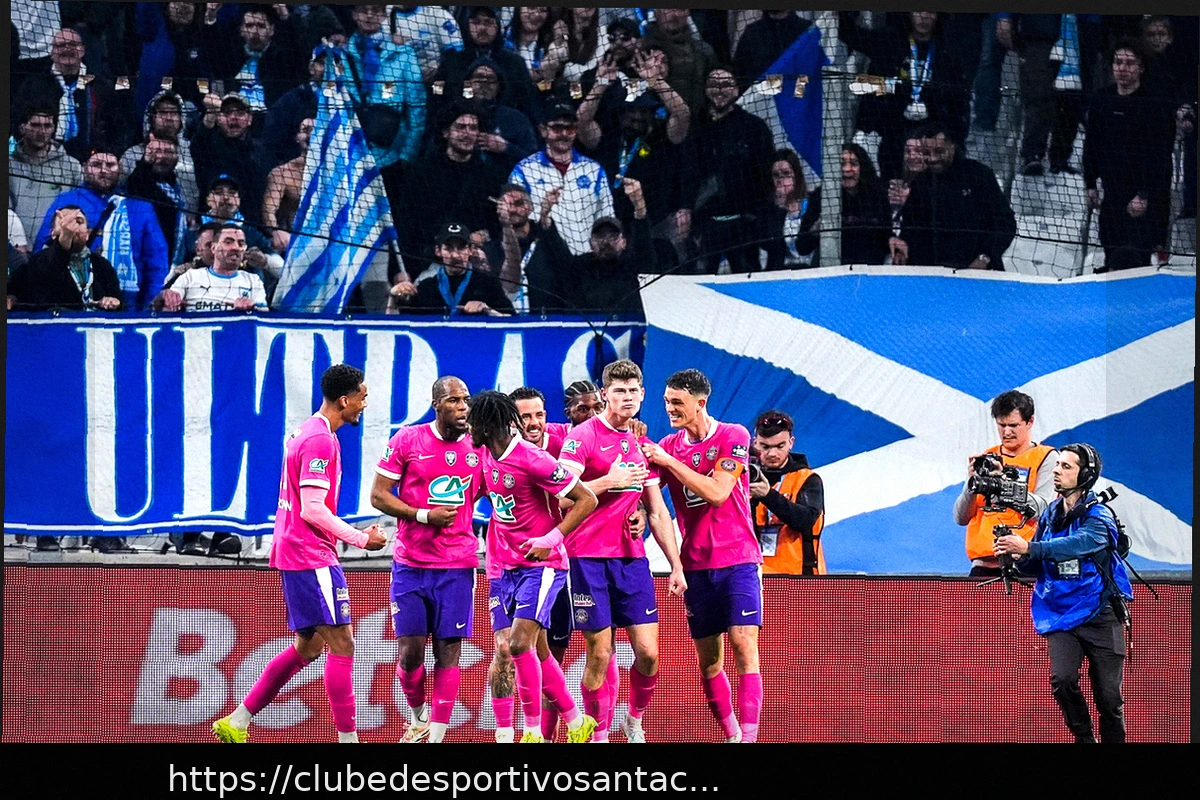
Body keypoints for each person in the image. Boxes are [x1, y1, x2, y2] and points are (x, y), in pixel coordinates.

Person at [211, 364, 388, 744]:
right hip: (310, 554)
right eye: (362, 397)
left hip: (295, 550)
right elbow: (311, 508)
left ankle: (237, 721)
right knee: (344, 644)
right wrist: (359, 538)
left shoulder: (305, 433)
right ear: (345, 400)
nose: (364, 404)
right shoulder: (320, 440)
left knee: (308, 647)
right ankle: (349, 741)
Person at [559, 359, 686, 743]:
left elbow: (658, 509)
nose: (627, 397)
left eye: (633, 391)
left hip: (632, 560)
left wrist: (676, 565)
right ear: (605, 395)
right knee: (599, 654)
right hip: (586, 558)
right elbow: (563, 500)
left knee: (648, 654)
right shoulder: (581, 438)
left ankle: (633, 720)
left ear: (642, 394)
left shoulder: (642, 445)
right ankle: (596, 737)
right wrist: (607, 481)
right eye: (619, 391)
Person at [640, 369, 764, 743]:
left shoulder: (733, 435)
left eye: (677, 402)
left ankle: (750, 739)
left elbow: (718, 492)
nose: (670, 409)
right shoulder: (667, 446)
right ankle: (730, 735)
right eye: (666, 402)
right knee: (710, 663)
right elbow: (644, 495)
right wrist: (634, 515)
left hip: (739, 558)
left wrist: (668, 461)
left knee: (744, 645)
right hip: (695, 564)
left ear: (701, 403)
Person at [469, 390, 599, 744]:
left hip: (541, 565)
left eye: (473, 423)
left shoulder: (532, 459)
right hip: (502, 566)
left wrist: (551, 539)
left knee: (518, 644)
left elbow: (587, 498)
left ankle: (531, 733)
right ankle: (575, 722)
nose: (468, 429)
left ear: (489, 425)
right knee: (534, 651)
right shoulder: (483, 453)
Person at [370, 376, 483, 744]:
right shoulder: (407, 440)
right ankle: (418, 718)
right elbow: (378, 496)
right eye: (454, 400)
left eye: (466, 400)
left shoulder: (478, 447)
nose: (463, 407)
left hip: (457, 564)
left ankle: (435, 735)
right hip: (411, 564)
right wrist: (423, 515)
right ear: (437, 404)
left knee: (449, 651)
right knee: (410, 655)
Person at [995, 443, 1133, 743]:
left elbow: (1077, 545)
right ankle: (1084, 739)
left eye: (1066, 466)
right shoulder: (1050, 516)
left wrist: (1030, 547)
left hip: (1101, 613)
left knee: (1109, 700)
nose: (1057, 470)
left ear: (1085, 475)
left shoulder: (1100, 517)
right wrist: (1016, 557)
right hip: (1061, 614)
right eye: (1057, 465)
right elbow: (1037, 561)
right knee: (1062, 679)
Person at [34, 145, 169, 311]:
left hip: (130, 307)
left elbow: (156, 261)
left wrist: (149, 303)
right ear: (84, 168)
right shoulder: (65, 201)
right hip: (71, 304)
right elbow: (43, 249)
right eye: (96, 165)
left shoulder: (141, 208)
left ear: (120, 168)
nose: (103, 170)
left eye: (110, 165)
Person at [1082, 41, 1176, 271]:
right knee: (1111, 252)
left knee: (1135, 260)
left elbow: (1160, 154)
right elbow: (1091, 144)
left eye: (1129, 63)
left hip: (1142, 196)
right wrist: (1090, 183)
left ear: (1141, 68)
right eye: (1118, 62)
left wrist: (1143, 194)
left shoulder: (1154, 104)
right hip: (1112, 192)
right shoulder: (1101, 100)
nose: (1122, 68)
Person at [953, 390, 1057, 577]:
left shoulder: (1046, 458)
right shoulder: (988, 458)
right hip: (983, 563)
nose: (1007, 432)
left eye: (1013, 425)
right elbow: (960, 518)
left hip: (1024, 563)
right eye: (1001, 425)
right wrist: (971, 485)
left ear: (1030, 422)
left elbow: (1045, 510)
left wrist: (1005, 485)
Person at [892, 122, 1016, 270]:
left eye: (939, 151)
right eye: (926, 153)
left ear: (952, 146)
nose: (932, 158)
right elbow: (911, 227)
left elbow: (1005, 224)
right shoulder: (921, 181)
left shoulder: (979, 175)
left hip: (978, 273)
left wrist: (985, 257)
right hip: (932, 275)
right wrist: (902, 248)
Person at [689, 67, 776, 274]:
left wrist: (758, 217)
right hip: (705, 224)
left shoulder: (755, 127)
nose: (719, 90)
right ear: (705, 89)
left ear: (737, 89)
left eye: (726, 84)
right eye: (713, 84)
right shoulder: (695, 126)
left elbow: (765, 176)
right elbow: (687, 172)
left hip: (744, 225)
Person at [525, 178, 653, 315]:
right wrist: (544, 216)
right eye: (600, 237)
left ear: (624, 242)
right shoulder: (579, 267)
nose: (606, 242)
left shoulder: (633, 265)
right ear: (591, 243)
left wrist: (639, 206)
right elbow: (556, 250)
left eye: (613, 237)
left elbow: (644, 246)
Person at [508, 103, 615, 257]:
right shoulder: (523, 170)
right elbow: (515, 218)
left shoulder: (594, 170)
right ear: (543, 130)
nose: (564, 134)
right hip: (543, 259)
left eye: (570, 129)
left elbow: (607, 216)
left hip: (586, 260)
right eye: (557, 128)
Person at [749, 411, 826, 575]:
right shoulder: (742, 479)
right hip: (753, 575)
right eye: (765, 447)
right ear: (755, 443)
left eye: (780, 446)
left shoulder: (808, 479)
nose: (772, 454)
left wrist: (768, 495)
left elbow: (804, 521)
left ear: (791, 443)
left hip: (801, 577)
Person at [406, 221, 515, 316]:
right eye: (448, 249)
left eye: (461, 248)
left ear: (471, 250)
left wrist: (488, 310)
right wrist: (393, 297)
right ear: (438, 251)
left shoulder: (488, 284)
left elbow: (514, 322)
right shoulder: (426, 287)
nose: (455, 255)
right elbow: (398, 325)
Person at [8, 106, 82, 245]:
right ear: (22, 128)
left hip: (56, 252)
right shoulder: (9, 166)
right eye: (35, 125)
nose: (42, 132)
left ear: (54, 128)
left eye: (47, 126)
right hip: (17, 252)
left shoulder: (72, 166)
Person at [158, 223, 269, 312]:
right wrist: (168, 297)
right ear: (213, 248)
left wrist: (252, 309)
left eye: (241, 243)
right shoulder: (190, 276)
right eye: (228, 242)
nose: (236, 247)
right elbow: (167, 305)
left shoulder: (253, 281)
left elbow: (264, 318)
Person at [761, 149, 821, 271]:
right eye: (776, 175)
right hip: (783, 272)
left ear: (796, 176)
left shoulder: (813, 205)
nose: (780, 180)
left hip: (813, 270)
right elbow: (769, 245)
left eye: (786, 174)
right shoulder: (770, 211)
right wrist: (778, 207)